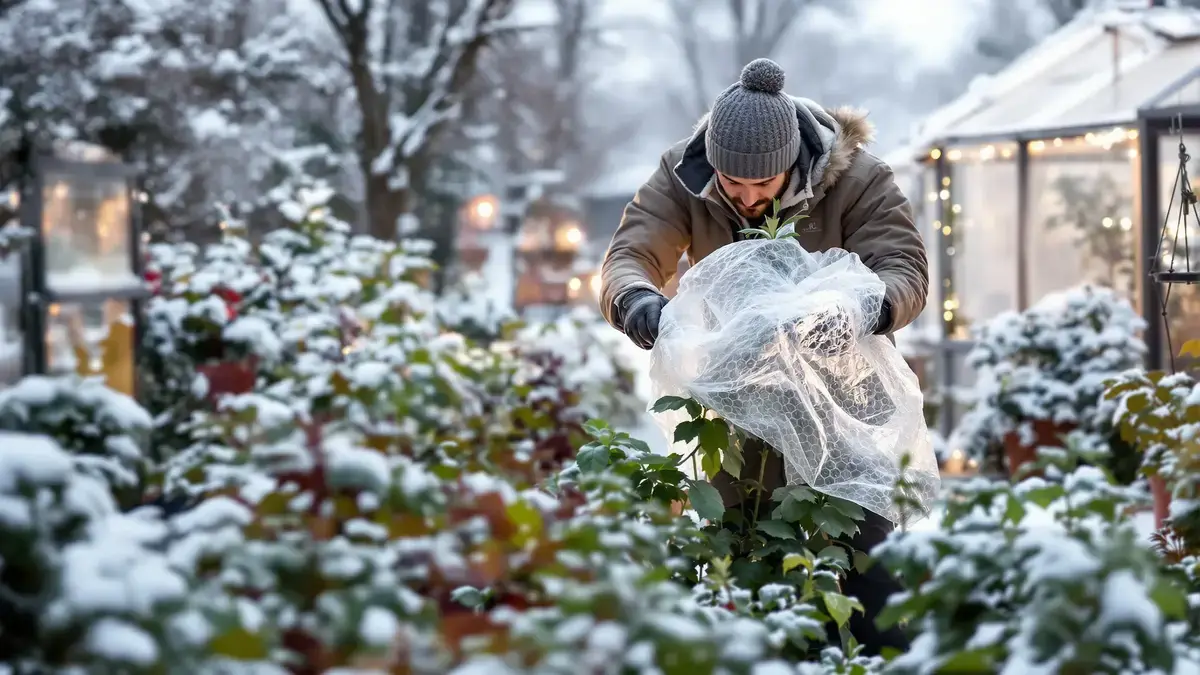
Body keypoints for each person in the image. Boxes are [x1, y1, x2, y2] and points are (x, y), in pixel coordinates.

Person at [597, 58, 928, 654]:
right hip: (737, 402)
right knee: (746, 555)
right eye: (733, 184)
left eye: (763, 185)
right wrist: (637, 302)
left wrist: (864, 312)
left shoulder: (859, 182)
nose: (747, 198)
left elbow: (904, 269)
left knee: (861, 567)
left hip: (846, 401)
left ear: (794, 165)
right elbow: (631, 252)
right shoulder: (682, 175)